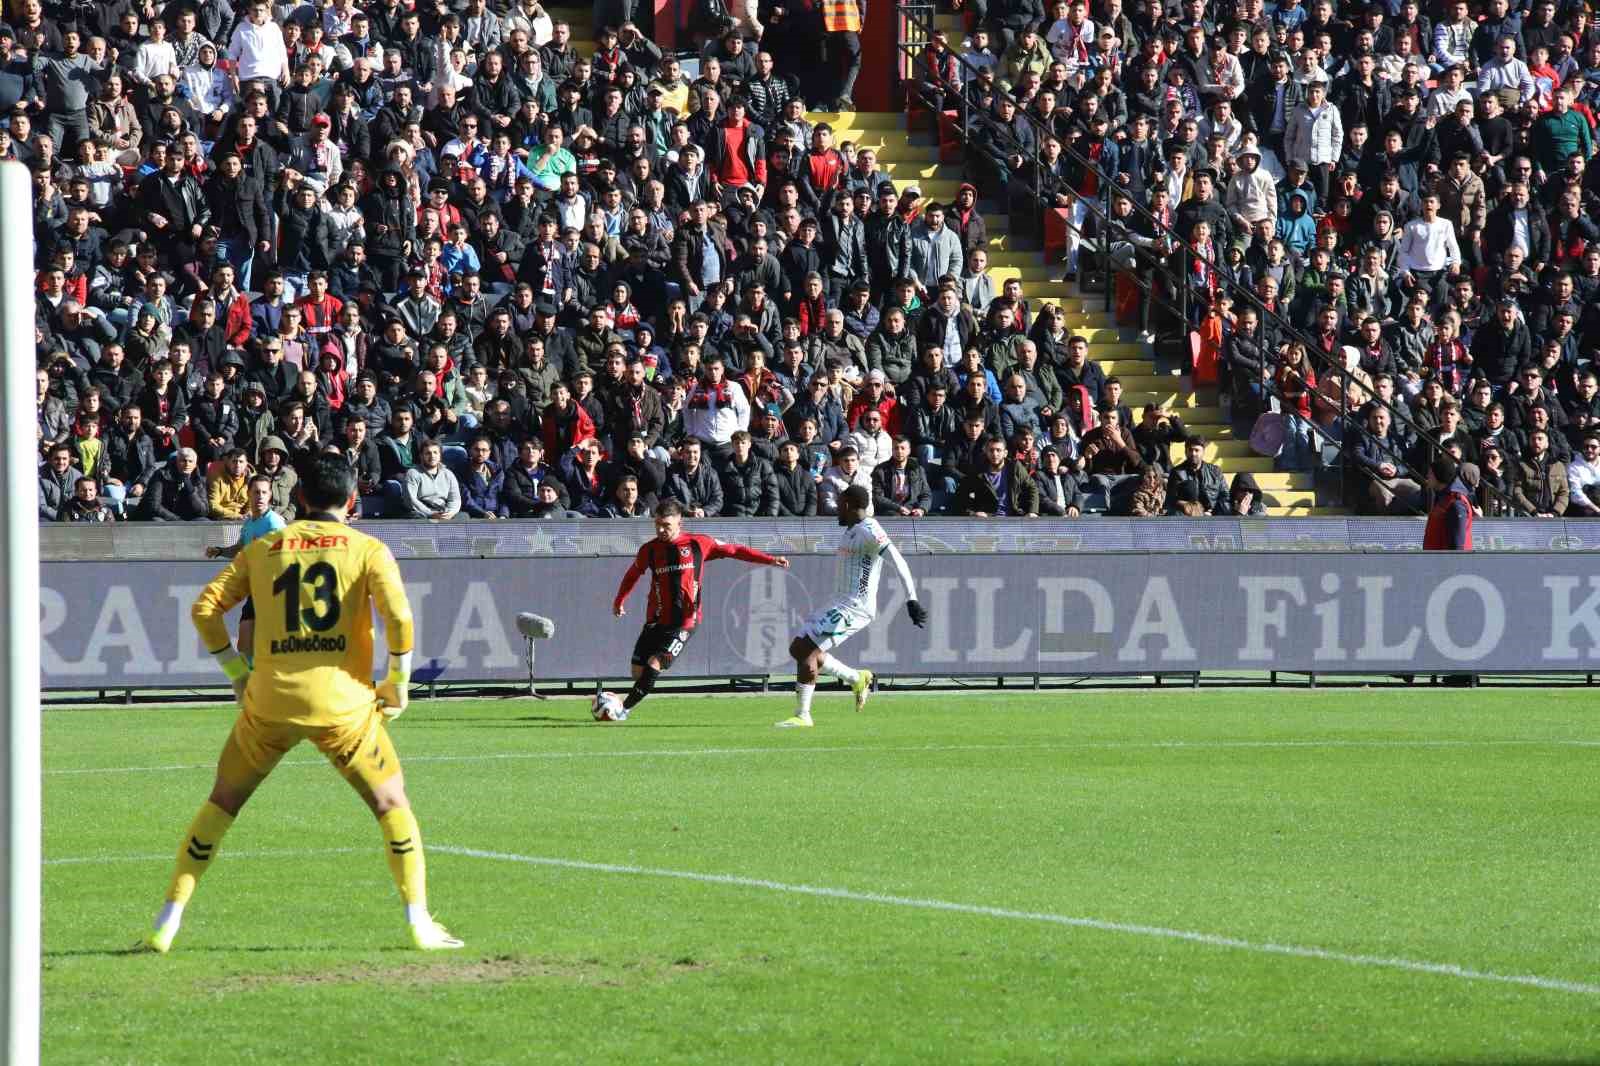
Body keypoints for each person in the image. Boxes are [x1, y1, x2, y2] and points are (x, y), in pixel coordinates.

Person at [147, 457, 461, 954]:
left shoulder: (266, 546)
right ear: (352, 501)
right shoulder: (368, 549)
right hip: (345, 708)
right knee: (391, 805)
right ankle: (418, 920)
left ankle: (169, 918)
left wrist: (238, 674)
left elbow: (204, 609)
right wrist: (398, 681)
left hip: (270, 701)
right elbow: (399, 618)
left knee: (221, 805)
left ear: (300, 500)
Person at [609, 500, 789, 715]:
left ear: (679, 522)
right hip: (656, 619)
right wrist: (620, 600)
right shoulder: (649, 550)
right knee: (638, 672)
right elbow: (632, 575)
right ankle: (627, 700)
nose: (660, 529)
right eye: (657, 524)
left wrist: (769, 559)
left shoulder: (698, 543)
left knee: (656, 662)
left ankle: (622, 710)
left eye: (666, 525)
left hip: (685, 621)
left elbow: (735, 550)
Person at [780, 485, 927, 729]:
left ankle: (803, 715)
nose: (836, 509)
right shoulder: (852, 530)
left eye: (839, 504)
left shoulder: (870, 530)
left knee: (807, 651)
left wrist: (911, 599)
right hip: (838, 602)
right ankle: (857, 678)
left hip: (854, 607)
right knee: (798, 648)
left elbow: (898, 561)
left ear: (847, 505)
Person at [204, 473, 289, 664]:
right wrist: (219, 551)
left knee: (268, 647)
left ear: (269, 496)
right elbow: (241, 548)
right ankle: (252, 688)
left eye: (264, 493)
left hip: (275, 591)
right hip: (257, 590)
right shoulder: (250, 523)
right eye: (256, 492)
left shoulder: (274, 523)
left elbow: (285, 556)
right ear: (248, 494)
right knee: (244, 646)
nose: (260, 496)